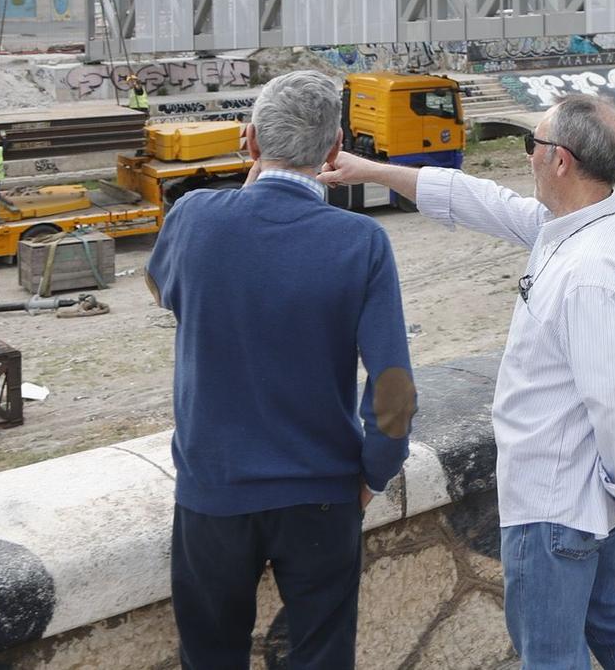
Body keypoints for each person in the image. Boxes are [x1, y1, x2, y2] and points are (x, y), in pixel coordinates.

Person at [319, 95, 615, 670]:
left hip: (557, 505)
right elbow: (477, 200)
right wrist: (369, 171)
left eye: (531, 145)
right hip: (587, 501)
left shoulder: (586, 271)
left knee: (551, 655)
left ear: (560, 161)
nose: (527, 157)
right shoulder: (585, 226)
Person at [147, 71, 415, 670]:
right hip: (321, 495)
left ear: (249, 142)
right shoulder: (361, 241)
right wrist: (374, 475)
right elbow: (394, 393)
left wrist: (244, 193)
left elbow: (161, 287)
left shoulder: (193, 219)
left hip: (213, 493)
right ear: (333, 149)